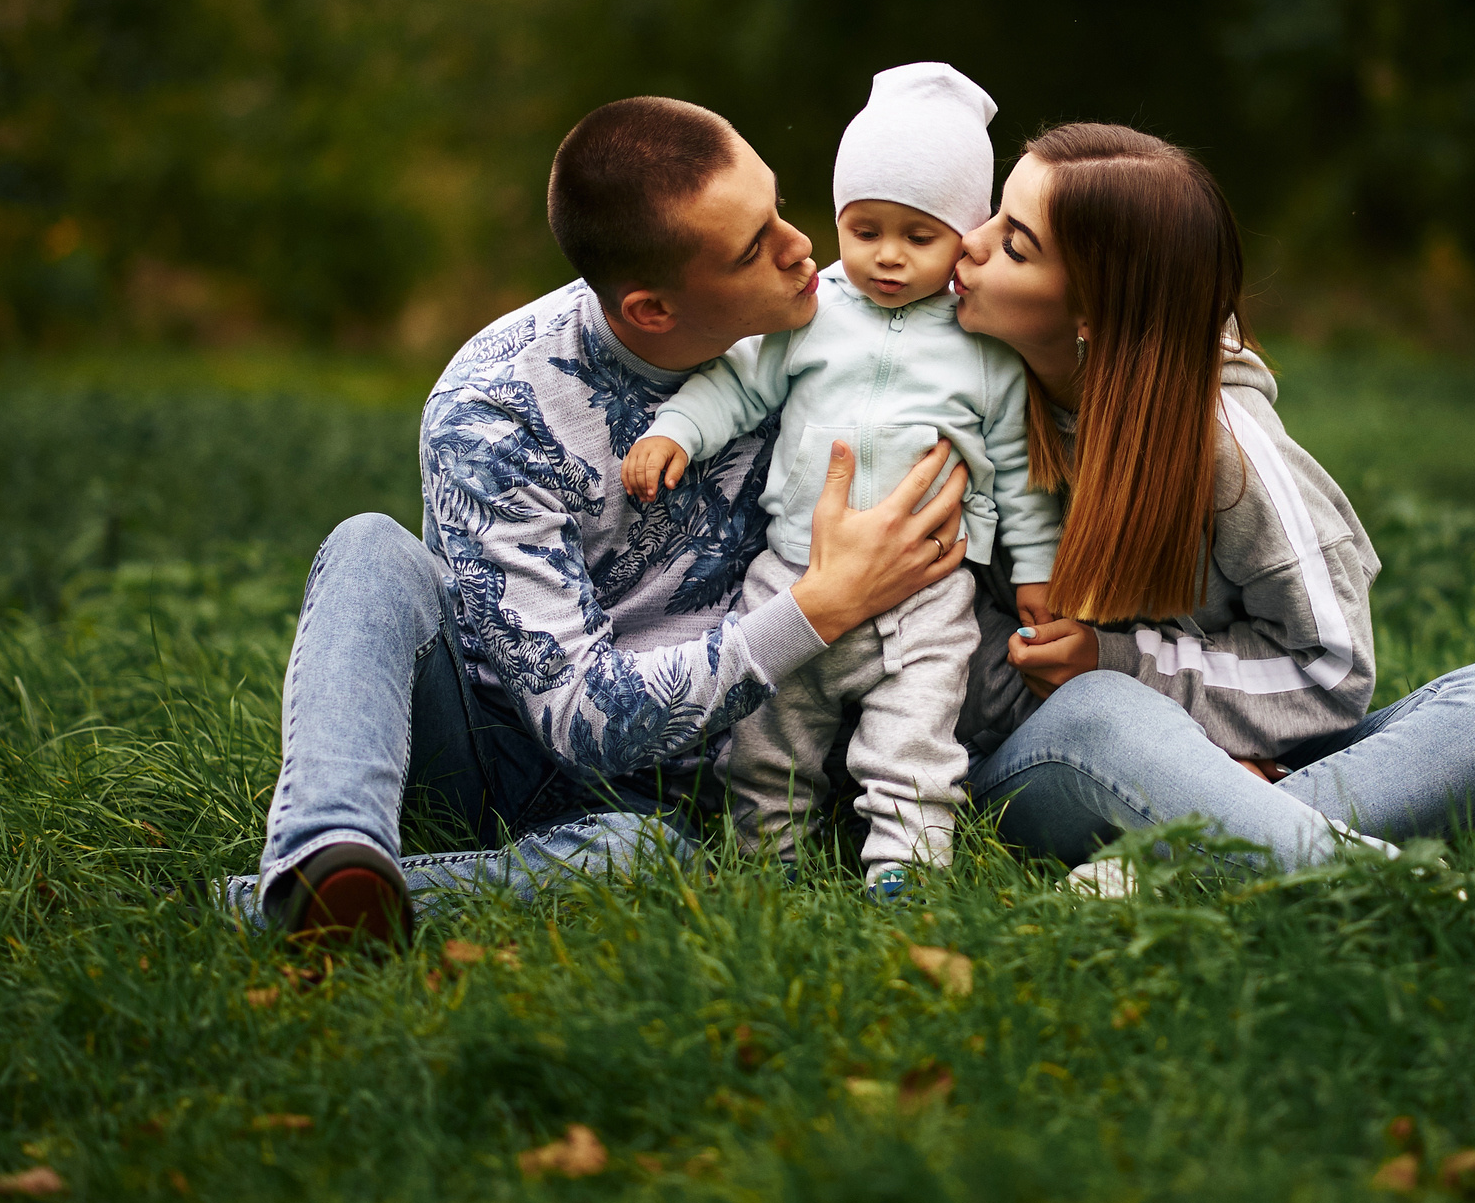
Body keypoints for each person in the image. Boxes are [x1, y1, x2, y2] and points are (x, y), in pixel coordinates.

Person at [233, 97, 972, 946]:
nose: (802, 246)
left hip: (696, 795)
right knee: (368, 545)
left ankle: (317, 909)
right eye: (752, 247)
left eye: (776, 207)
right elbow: (580, 720)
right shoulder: (495, 409)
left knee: (644, 853)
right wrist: (818, 608)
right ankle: (324, 850)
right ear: (653, 309)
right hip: (506, 751)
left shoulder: (833, 324)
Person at [949, 123, 1475, 876]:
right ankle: (1366, 876)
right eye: (991, 217)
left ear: (1094, 314)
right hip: (1046, 760)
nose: (966, 245)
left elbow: (1331, 668)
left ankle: (1186, 863)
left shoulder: (1225, 445)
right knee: (1105, 710)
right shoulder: (948, 401)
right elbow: (943, 658)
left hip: (1254, 753)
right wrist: (1144, 719)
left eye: (1014, 244)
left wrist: (1135, 668)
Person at [621, 64, 1062, 895]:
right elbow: (738, 382)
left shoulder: (984, 347)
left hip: (928, 596)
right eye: (865, 230)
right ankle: (766, 858)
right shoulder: (812, 311)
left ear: (964, 232)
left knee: (916, 739)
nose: (887, 256)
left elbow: (1018, 471)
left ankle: (905, 866)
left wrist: (1035, 571)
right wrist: (675, 429)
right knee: (768, 734)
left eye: (919, 236)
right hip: (796, 572)